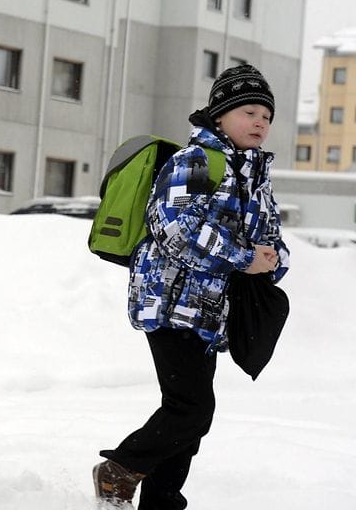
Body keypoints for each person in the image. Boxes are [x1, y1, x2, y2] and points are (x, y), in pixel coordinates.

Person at [93, 64, 290, 509]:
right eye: (249, 112)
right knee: (191, 408)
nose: (260, 122)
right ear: (219, 115)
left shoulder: (255, 176)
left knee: (191, 414)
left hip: (209, 310)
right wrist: (243, 258)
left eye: (267, 115)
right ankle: (119, 469)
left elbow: (271, 235)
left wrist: (273, 260)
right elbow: (173, 226)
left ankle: (161, 500)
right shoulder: (196, 161)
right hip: (168, 301)